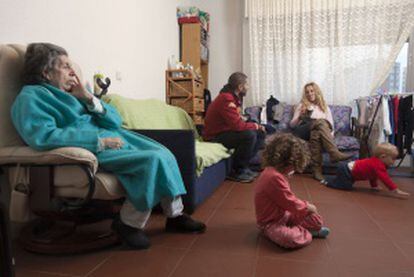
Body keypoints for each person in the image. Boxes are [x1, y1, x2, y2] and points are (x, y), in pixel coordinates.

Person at [11, 43, 206, 250]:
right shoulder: (31, 97)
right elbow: (43, 136)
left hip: (116, 138)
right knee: (152, 161)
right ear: (46, 72)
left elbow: (114, 120)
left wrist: (87, 97)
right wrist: (98, 142)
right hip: (91, 148)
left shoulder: (76, 94)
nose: (72, 71)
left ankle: (174, 215)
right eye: (65, 66)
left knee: (164, 153)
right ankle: (129, 224)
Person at [254, 133, 330, 249]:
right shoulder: (273, 177)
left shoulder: (275, 172)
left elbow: (288, 202)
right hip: (270, 223)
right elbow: (289, 201)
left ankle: (301, 229)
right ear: (289, 163)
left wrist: (307, 210)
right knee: (290, 239)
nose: (294, 170)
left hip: (285, 215)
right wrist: (307, 207)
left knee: (316, 220)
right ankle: (307, 233)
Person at [203, 72, 266, 183]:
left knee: (260, 133)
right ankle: (236, 171)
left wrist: (254, 125)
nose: (248, 87)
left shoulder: (233, 97)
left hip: (225, 131)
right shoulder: (226, 98)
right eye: (247, 85)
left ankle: (245, 166)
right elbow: (237, 126)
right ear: (240, 87)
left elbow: (236, 119)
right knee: (249, 135)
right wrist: (255, 125)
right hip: (214, 136)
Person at [290, 82, 352, 182]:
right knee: (321, 122)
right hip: (302, 131)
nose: (310, 94)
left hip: (316, 132)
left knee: (317, 134)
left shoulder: (325, 107)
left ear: (317, 92)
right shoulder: (302, 106)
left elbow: (331, 126)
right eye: (307, 92)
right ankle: (334, 152)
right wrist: (299, 116)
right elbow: (292, 125)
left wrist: (327, 137)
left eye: (312, 91)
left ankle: (316, 171)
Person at [325, 142, 410, 198]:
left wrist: (374, 185)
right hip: (346, 170)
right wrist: (395, 189)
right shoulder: (378, 165)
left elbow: (373, 175)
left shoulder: (377, 163)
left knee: (345, 183)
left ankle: (333, 180)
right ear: (383, 157)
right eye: (393, 158)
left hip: (348, 171)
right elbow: (385, 179)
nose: (394, 161)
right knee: (345, 187)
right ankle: (328, 182)